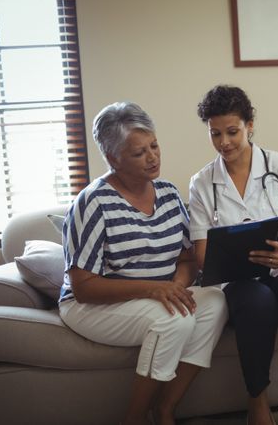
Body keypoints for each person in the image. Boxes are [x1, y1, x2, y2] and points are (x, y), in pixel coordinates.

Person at [58, 102, 228, 425]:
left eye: (154, 146)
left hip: (155, 295)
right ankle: (134, 419)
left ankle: (165, 408)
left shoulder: (167, 193)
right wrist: (155, 289)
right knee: (174, 320)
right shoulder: (92, 203)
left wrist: (175, 288)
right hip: (92, 306)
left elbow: (187, 257)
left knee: (216, 301)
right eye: (139, 153)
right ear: (112, 158)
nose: (153, 157)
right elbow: (83, 288)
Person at [188, 85, 278, 425]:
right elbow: (201, 254)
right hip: (238, 280)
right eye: (215, 134)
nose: (224, 142)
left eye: (232, 131)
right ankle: (258, 400)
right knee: (256, 301)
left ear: (250, 125)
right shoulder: (202, 182)